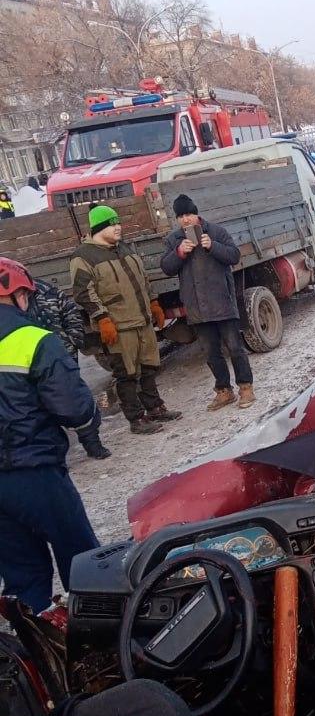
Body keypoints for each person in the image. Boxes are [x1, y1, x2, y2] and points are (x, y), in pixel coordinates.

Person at [0, 258, 100, 612]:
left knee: (23, 579)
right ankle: (98, 655)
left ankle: (35, 661)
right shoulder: (35, 340)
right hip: (36, 471)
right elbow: (73, 408)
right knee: (85, 564)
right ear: (19, 296)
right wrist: (91, 416)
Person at [70, 204, 182, 435]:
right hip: (119, 327)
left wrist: (153, 303)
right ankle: (136, 418)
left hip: (142, 320)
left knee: (150, 367)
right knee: (127, 375)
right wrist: (102, 318)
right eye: (112, 224)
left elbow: (143, 279)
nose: (118, 227)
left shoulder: (125, 249)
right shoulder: (83, 257)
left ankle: (155, 408)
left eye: (118, 222)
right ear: (99, 227)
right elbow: (82, 292)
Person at [161, 195, 255, 411]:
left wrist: (212, 246)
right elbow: (166, 267)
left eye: (189, 214)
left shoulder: (216, 231)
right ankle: (223, 391)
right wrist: (179, 253)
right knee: (211, 353)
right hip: (197, 307)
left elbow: (234, 256)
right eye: (181, 216)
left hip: (222, 301)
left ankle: (246, 387)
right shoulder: (173, 240)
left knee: (235, 348)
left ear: (196, 214)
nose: (185, 220)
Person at [26, 276, 111, 458]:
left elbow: (70, 311)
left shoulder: (44, 289)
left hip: (62, 359)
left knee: (76, 402)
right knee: (38, 410)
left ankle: (93, 445)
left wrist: (73, 341)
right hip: (29, 365)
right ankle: (51, 454)